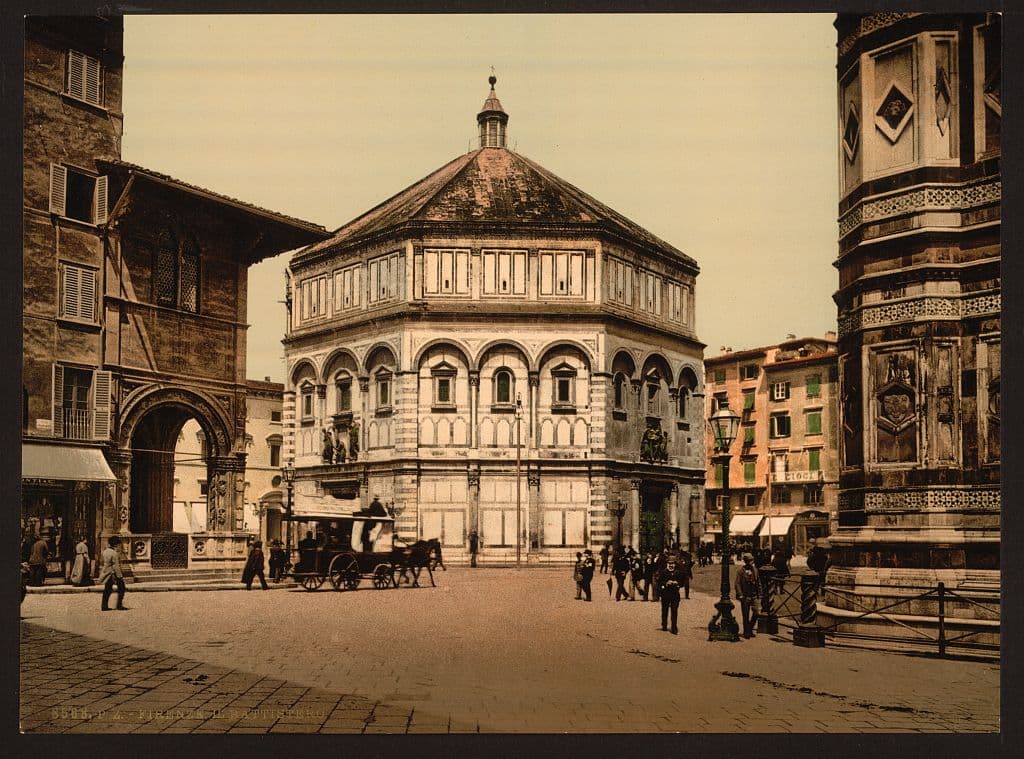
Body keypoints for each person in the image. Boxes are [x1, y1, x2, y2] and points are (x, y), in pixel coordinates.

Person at [658, 555, 687, 634]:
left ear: (675, 564)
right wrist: (666, 583)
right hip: (665, 594)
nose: (671, 565)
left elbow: (682, 582)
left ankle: (674, 627)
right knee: (665, 610)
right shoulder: (663, 572)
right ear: (667, 564)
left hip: (675, 594)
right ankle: (664, 624)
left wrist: (677, 583)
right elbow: (659, 582)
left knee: (674, 611)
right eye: (669, 563)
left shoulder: (678, 573)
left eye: (672, 564)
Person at [734, 552, 760, 639]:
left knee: (756, 612)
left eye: (752, 560)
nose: (752, 562)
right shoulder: (741, 571)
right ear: (746, 561)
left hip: (754, 595)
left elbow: (758, 582)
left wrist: (760, 593)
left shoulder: (755, 570)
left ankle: (749, 628)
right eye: (750, 560)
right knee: (745, 615)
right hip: (745, 596)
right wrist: (740, 594)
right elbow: (737, 583)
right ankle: (747, 632)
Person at [98, 536, 127, 611]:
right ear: (116, 544)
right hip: (112, 573)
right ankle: (119, 605)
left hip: (106, 572)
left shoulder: (105, 551)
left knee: (107, 589)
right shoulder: (114, 553)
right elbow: (116, 566)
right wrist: (119, 576)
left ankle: (104, 606)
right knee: (122, 588)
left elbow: (102, 562)